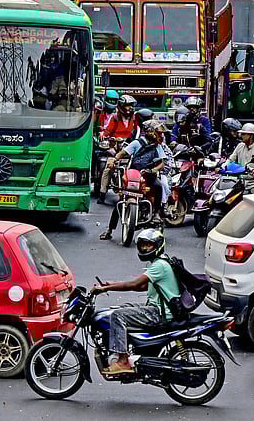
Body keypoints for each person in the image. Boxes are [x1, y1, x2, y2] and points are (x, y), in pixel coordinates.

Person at [90, 229, 180, 376]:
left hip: (159, 313)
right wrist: (112, 284)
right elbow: (143, 286)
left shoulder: (159, 265)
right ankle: (126, 348)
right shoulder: (160, 262)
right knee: (119, 309)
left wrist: (106, 288)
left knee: (118, 316)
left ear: (158, 245)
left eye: (149, 246)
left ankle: (123, 361)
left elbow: (134, 284)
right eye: (143, 245)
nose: (145, 249)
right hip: (155, 308)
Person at [100, 119, 173, 239]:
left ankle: (156, 213)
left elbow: (161, 164)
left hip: (148, 176)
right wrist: (114, 160)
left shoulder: (157, 147)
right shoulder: (136, 143)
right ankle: (109, 230)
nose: (161, 135)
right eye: (158, 132)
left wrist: (154, 170)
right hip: (133, 176)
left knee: (159, 186)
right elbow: (122, 153)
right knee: (121, 200)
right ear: (150, 132)